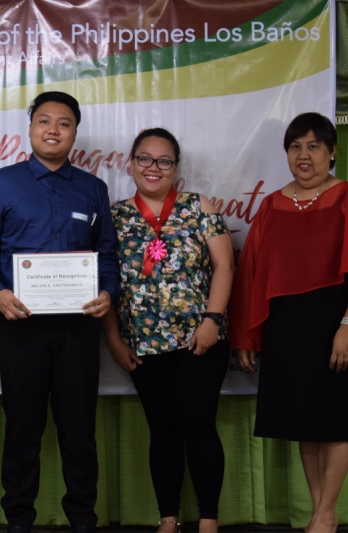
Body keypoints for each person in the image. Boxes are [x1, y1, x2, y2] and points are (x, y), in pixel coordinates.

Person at [230, 113, 348, 533]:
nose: (304, 155)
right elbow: (252, 272)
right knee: (305, 421)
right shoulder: (272, 204)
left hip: (335, 321)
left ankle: (325, 513)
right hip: (286, 326)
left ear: (332, 151)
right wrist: (248, 334)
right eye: (295, 147)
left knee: (334, 418)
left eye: (313, 146)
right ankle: (323, 510)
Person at [0, 91, 120, 532]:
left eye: (64, 123)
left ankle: (82, 520)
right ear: (31, 126)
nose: (53, 130)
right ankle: (18, 520)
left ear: (75, 131)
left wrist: (107, 292)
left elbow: (106, 254)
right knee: (22, 429)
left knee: (78, 431)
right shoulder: (1, 183)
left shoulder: (93, 189)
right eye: (45, 121)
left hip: (79, 328)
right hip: (20, 326)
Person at [102, 128, 234, 533]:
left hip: (201, 339)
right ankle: (169, 518)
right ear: (130, 163)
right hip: (142, 344)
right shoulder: (115, 215)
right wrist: (113, 340)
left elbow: (226, 267)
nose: (153, 168)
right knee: (162, 429)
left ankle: (208, 519)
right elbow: (104, 281)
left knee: (197, 423)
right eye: (144, 159)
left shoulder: (199, 207)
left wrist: (212, 320)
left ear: (176, 168)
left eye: (163, 161)